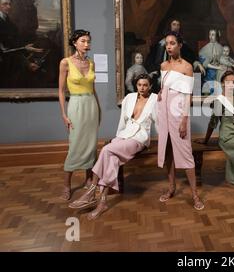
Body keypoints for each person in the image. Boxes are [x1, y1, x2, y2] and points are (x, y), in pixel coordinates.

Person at [68, 74, 158, 219]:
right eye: (140, 85)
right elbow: (122, 120)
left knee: (106, 149)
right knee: (112, 158)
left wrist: (163, 141)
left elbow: (159, 122)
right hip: (124, 135)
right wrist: (117, 138)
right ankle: (102, 201)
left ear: (150, 86)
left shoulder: (154, 100)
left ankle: (91, 191)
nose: (142, 88)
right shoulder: (129, 98)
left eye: (145, 85)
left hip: (140, 138)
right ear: (136, 85)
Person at [157, 31, 204, 211]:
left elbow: (187, 96)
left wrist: (184, 120)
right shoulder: (163, 66)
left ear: (180, 45)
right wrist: (161, 92)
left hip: (178, 114)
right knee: (167, 151)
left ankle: (194, 195)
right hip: (164, 113)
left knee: (185, 154)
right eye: (167, 43)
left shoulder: (187, 67)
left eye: (172, 43)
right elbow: (164, 88)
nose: (169, 46)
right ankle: (171, 187)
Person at [58, 29, 101, 200]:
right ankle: (67, 185)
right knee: (75, 145)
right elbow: (61, 91)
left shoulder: (91, 63)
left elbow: (93, 89)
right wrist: (63, 114)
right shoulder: (65, 63)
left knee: (91, 144)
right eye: (83, 41)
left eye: (88, 41)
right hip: (75, 105)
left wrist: (99, 108)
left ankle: (89, 179)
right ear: (74, 43)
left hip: (91, 105)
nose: (87, 44)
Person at [0, 0, 44, 87]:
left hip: (12, 60)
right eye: (5, 4)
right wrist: (25, 49)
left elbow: (13, 45)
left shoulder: (7, 20)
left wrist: (27, 62)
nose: (9, 7)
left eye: (9, 4)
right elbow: (4, 50)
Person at [146, 19, 199, 92]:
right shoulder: (159, 45)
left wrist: (196, 62)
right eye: (174, 24)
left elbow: (191, 56)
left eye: (178, 25)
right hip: (160, 72)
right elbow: (151, 59)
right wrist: (152, 71)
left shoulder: (183, 45)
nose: (176, 27)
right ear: (169, 26)